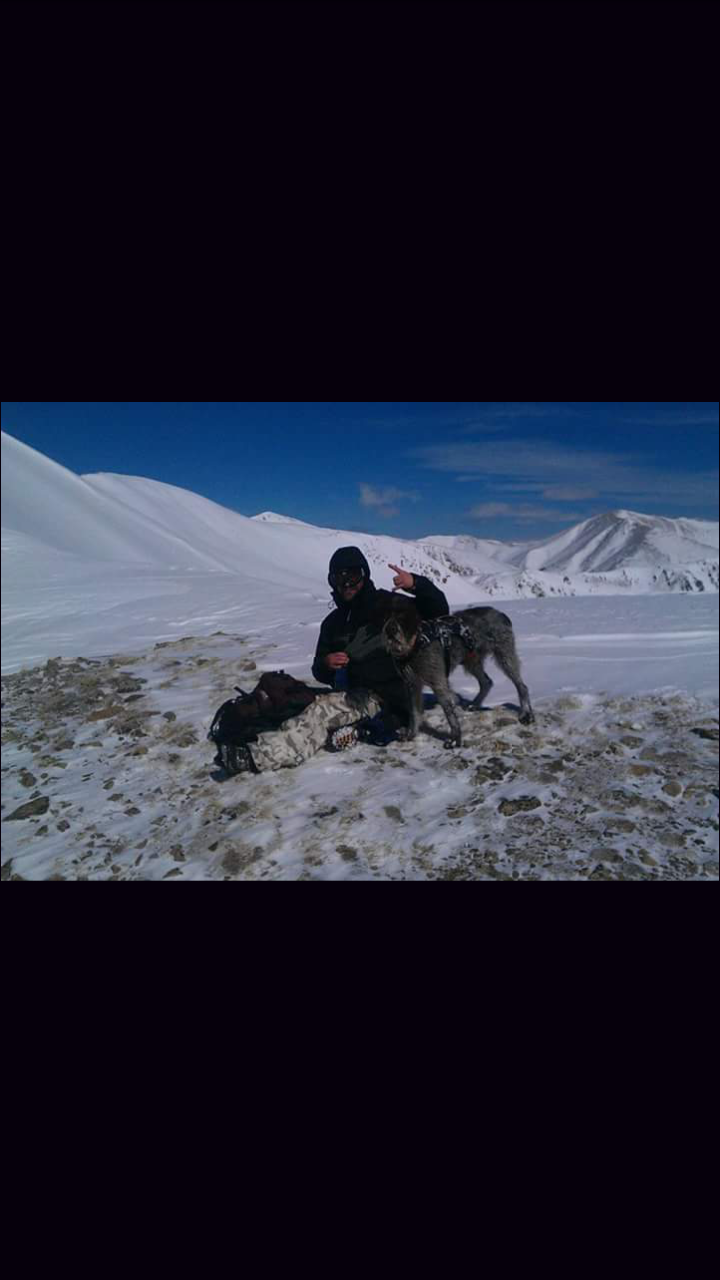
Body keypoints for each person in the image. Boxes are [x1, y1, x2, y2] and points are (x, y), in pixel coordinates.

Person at [237, 547, 450, 773]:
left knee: (319, 713)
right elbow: (319, 669)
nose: (346, 583)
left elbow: (438, 610)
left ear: (364, 575)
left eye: (353, 575)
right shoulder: (333, 623)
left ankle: (257, 758)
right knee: (297, 704)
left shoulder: (391, 605)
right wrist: (326, 663)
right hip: (352, 692)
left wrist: (416, 584)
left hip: (390, 695)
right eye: (338, 577)